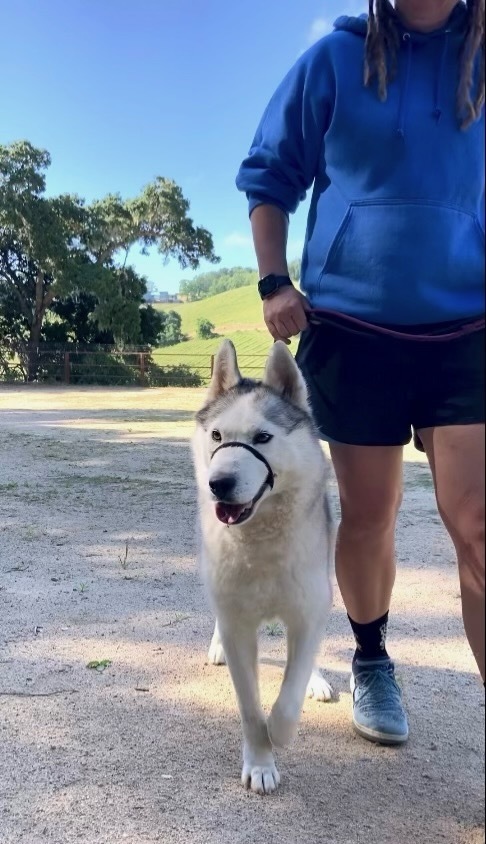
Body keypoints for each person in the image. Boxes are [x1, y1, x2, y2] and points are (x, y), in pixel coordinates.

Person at [236, 0, 485, 745]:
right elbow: (269, 174)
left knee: (477, 521)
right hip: (355, 329)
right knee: (369, 513)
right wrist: (274, 282)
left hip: (468, 327)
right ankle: (372, 659)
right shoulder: (336, 59)